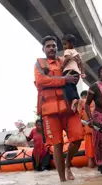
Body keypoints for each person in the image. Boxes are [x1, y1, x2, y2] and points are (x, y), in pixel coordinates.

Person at [34, 35, 83, 182]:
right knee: (57, 145)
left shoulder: (65, 61)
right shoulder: (39, 64)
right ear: (43, 49)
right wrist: (64, 80)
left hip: (69, 108)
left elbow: (74, 77)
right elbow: (41, 81)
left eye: (54, 46)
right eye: (48, 46)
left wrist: (77, 70)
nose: (52, 48)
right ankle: (62, 180)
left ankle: (68, 164)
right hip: (50, 112)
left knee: (78, 138)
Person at [61, 34, 86, 112]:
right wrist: (82, 73)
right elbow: (81, 63)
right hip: (76, 73)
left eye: (65, 44)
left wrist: (62, 66)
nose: (64, 46)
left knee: (66, 86)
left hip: (69, 71)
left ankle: (72, 99)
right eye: (63, 44)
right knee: (73, 87)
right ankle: (76, 99)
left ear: (71, 44)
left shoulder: (67, 51)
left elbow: (68, 58)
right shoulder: (76, 53)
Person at [78, 90, 95, 168]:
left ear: (83, 96)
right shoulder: (96, 102)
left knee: (90, 156)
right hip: (99, 131)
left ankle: (92, 174)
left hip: (88, 132)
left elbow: (78, 117)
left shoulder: (81, 102)